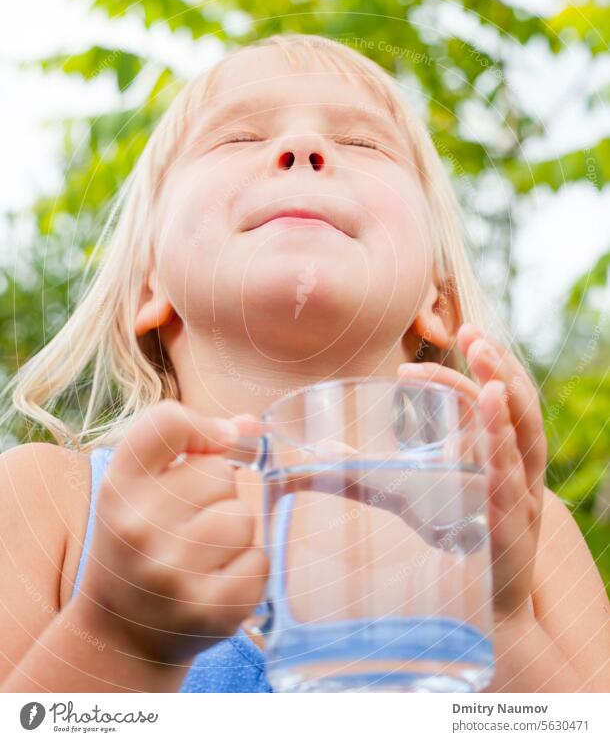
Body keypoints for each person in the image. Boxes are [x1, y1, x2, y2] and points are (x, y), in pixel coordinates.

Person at [0, 34, 607, 693]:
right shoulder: (49, 501)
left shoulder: (527, 535)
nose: (303, 149)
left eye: (363, 143)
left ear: (439, 300)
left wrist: (502, 623)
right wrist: (116, 637)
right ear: (148, 285)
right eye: (237, 137)